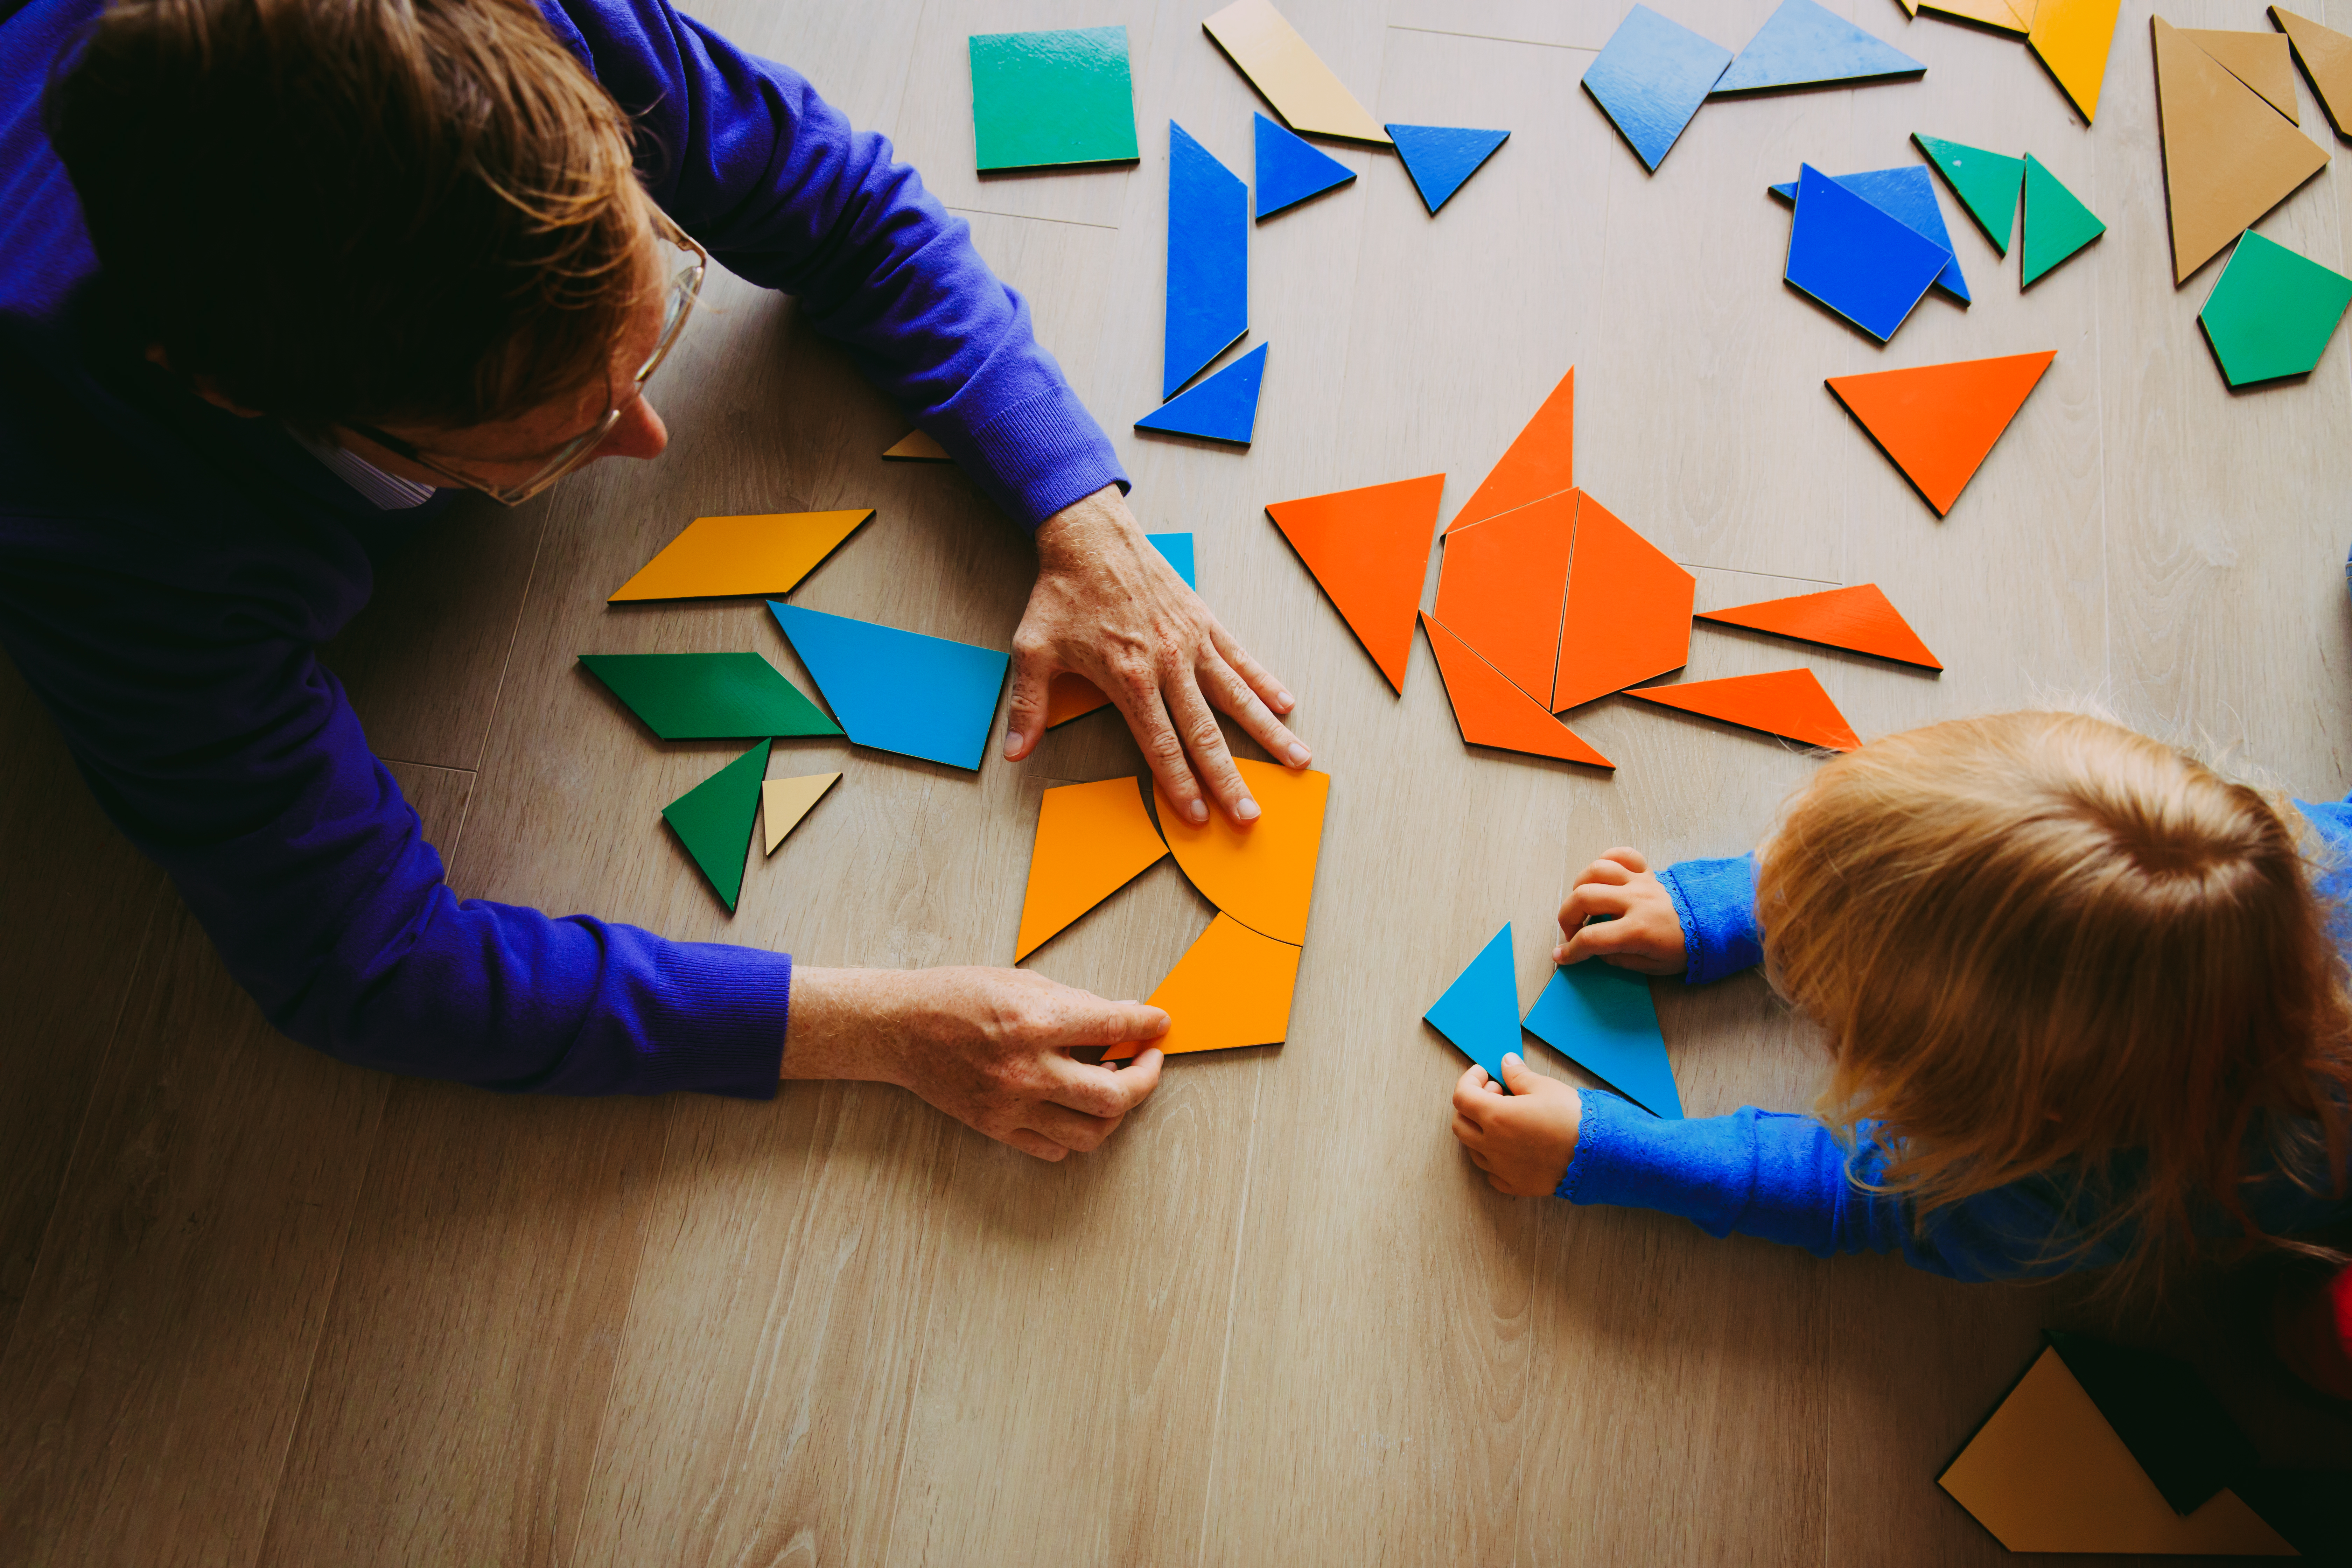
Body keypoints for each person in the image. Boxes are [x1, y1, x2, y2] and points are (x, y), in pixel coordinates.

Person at [0, 0, 1314, 1161]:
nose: (648, 437)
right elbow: (368, 960)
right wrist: (887, 1030)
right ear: (260, 406)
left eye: (653, 318)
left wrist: (1079, 510)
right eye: (550, 439)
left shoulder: (520, 50)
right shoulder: (101, 531)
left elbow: (845, 203)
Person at [1447, 710, 2352, 1302]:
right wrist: (1728, 907)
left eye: (1829, 984)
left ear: (1965, 1107)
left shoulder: (2068, 1194)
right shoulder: (2265, 861)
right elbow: (1954, 858)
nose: (1792, 944)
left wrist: (1606, 1153)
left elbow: (1863, 1199)